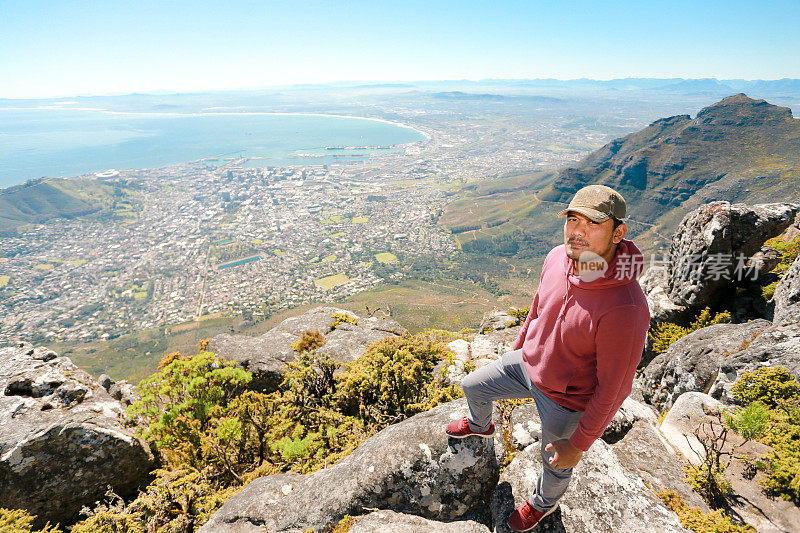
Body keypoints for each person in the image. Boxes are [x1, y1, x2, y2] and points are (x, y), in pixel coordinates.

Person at [445, 184, 651, 532]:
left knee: (555, 463)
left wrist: (578, 445)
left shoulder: (625, 307)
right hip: (528, 364)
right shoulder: (558, 257)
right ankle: (482, 427)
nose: (577, 230)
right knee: (473, 385)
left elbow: (615, 389)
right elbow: (538, 308)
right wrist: (519, 346)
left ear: (619, 232)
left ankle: (542, 505)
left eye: (592, 223)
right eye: (572, 219)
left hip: (566, 400)